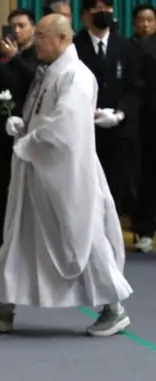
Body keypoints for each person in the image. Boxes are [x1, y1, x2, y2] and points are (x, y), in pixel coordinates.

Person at [0, 14, 133, 338]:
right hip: (39, 169)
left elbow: (65, 127)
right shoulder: (50, 72)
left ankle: (114, 308)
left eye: (41, 35)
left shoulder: (76, 76)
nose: (34, 40)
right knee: (19, 236)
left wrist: (30, 141)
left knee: (81, 238)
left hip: (67, 175)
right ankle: (2, 306)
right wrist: (23, 126)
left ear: (62, 39)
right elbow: (44, 115)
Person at [73, 0, 142, 218]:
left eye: (107, 10)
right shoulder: (74, 47)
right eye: (97, 10)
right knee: (84, 187)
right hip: (84, 129)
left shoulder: (127, 47)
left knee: (115, 187)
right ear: (84, 15)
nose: (103, 14)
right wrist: (89, 111)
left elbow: (135, 86)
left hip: (118, 130)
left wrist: (121, 112)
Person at [0, 9, 39, 255]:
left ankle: (25, 236)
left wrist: (15, 57)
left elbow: (35, 79)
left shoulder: (38, 55)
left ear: (32, 28)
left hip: (27, 130)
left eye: (22, 25)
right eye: (12, 26)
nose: (16, 30)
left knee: (26, 185)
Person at [131, 4, 156, 252]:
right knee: (145, 177)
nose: (146, 25)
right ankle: (144, 230)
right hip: (141, 122)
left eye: (150, 20)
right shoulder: (130, 48)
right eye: (141, 20)